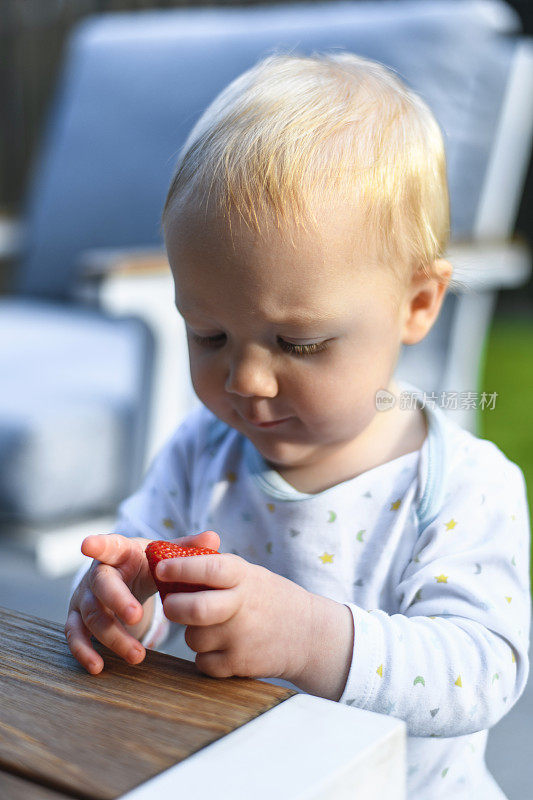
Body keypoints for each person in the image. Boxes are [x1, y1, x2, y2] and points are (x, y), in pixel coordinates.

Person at [65, 53, 530, 799]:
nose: (245, 380)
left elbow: (483, 669)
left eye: (298, 343)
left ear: (416, 304)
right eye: (208, 336)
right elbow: (139, 589)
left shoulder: (461, 487)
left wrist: (310, 636)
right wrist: (120, 605)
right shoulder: (201, 453)